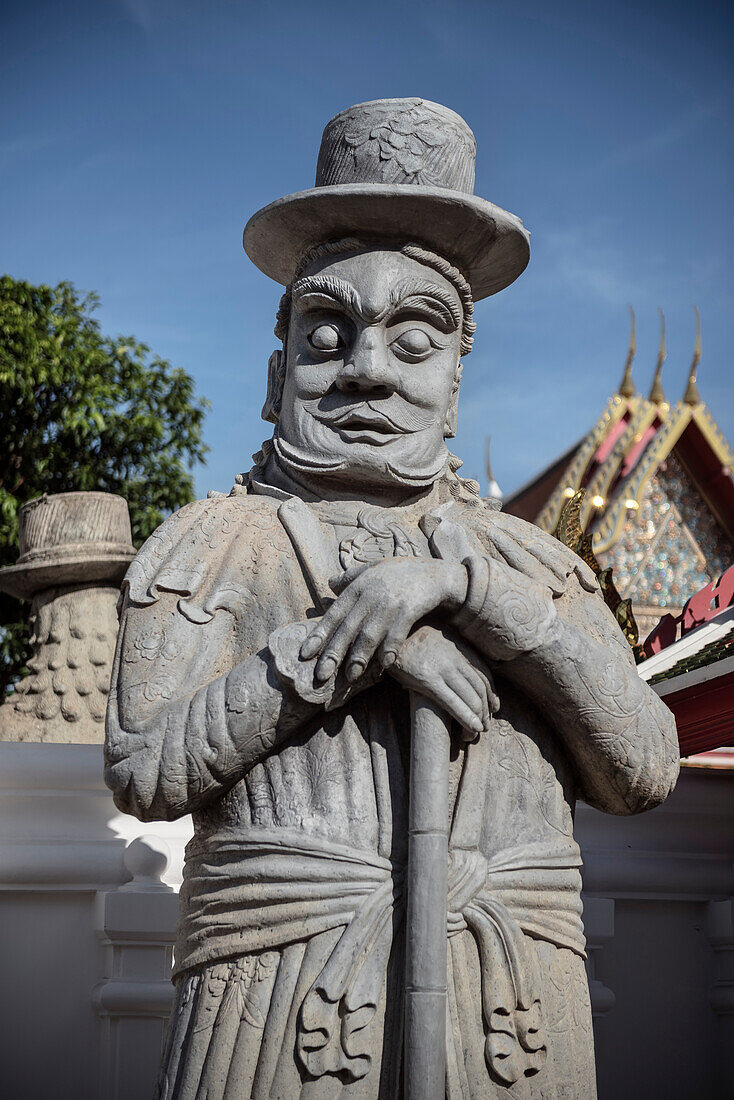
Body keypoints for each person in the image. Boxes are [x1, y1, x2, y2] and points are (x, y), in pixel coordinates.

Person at [105, 98, 679, 1099]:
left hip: (505, 1003)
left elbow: (640, 766)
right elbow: (146, 769)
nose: (366, 371)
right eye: (328, 336)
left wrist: (466, 589)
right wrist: (343, 646)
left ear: (455, 384)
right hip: (282, 994)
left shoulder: (529, 560)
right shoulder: (216, 542)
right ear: (278, 371)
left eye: (413, 344)